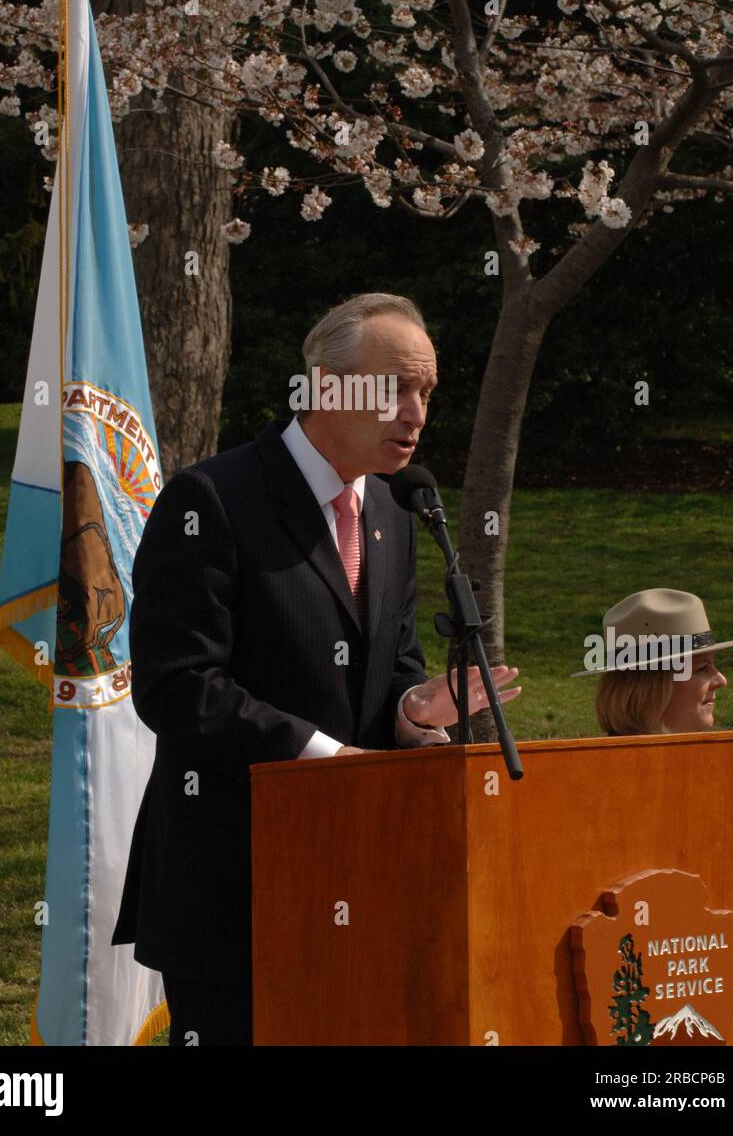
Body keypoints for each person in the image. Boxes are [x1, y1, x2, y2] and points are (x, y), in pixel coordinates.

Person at [112, 292, 521, 1045]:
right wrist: (326, 759)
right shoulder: (213, 500)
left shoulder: (397, 515)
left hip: (360, 883)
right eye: (396, 386)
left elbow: (393, 670)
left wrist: (412, 711)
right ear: (326, 386)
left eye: (427, 391)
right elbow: (178, 687)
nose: (417, 411)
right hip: (235, 887)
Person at [573, 588, 733, 736]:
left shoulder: (710, 763)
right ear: (649, 689)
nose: (721, 680)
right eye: (702, 668)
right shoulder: (605, 771)